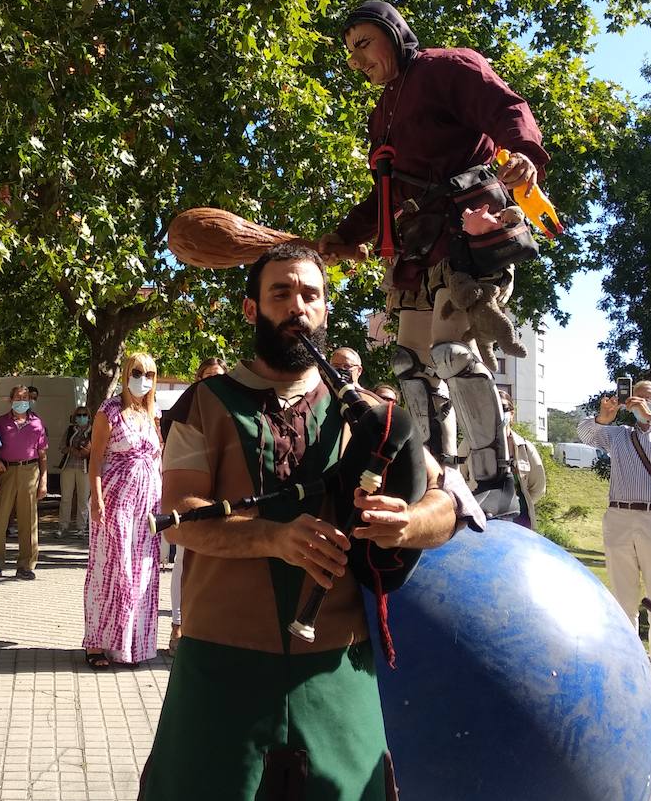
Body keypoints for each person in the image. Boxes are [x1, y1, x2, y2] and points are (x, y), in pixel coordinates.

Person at [140, 243, 483, 800]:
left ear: (325, 309)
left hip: (337, 670)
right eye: (280, 293)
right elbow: (179, 517)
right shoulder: (204, 403)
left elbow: (454, 504)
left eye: (310, 294)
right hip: (221, 668)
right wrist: (274, 538)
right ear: (251, 309)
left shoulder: (370, 413)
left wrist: (407, 523)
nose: (297, 306)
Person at [318, 0, 550, 521]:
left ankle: (495, 479)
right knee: (409, 362)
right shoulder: (381, 113)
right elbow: (388, 193)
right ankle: (438, 476)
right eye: (350, 53)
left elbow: (507, 107)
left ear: (395, 34)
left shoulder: (448, 66)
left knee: (451, 350)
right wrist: (344, 235)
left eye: (363, 44)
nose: (357, 60)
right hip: (417, 248)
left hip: (468, 232)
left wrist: (524, 154)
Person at [578, 379, 651, 703]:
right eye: (637, 397)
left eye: (650, 399)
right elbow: (585, 434)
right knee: (622, 600)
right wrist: (603, 417)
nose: (642, 402)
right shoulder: (619, 435)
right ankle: (627, 671)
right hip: (619, 517)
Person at [83, 353, 163, 669]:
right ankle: (96, 643)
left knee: (141, 574)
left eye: (149, 374)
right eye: (137, 372)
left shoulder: (151, 413)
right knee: (111, 571)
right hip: (116, 501)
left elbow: (158, 457)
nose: (143, 379)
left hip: (147, 507)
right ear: (127, 373)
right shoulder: (110, 411)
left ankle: (128, 645)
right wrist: (97, 499)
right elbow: (95, 459)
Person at [166, 357, 228, 656]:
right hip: (192, 497)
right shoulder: (186, 410)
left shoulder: (233, 409)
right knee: (183, 562)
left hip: (226, 499)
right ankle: (178, 626)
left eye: (219, 376)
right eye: (207, 377)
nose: (213, 382)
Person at [0, 385, 47, 580]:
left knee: (28, 519)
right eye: (18, 397)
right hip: (6, 471)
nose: (22, 401)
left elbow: (43, 455)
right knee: (0, 518)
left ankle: (26, 565)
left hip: (30, 471)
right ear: (10, 400)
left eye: (25, 397)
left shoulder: (37, 423)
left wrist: (43, 480)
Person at [498, 390, 545, 530]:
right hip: (482, 521)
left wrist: (519, 504)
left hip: (518, 524)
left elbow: (538, 488)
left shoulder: (526, 447)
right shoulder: (470, 446)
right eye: (494, 407)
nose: (499, 412)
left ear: (512, 413)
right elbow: (461, 477)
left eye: (503, 408)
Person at [58, 406, 92, 538]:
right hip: (68, 467)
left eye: (84, 415)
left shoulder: (93, 431)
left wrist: (85, 451)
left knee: (83, 499)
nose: (81, 417)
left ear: (88, 417)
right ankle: (63, 526)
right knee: (66, 498)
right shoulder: (70, 430)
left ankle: (81, 528)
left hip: (85, 469)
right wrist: (72, 449)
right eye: (79, 415)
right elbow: (62, 447)